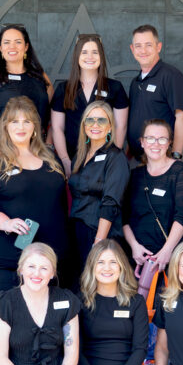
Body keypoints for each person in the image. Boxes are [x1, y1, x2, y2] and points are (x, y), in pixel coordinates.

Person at [0, 96, 69, 300]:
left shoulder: (50, 159)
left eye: (27, 121)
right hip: (1, 257)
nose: (21, 127)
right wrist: (6, 222)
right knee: (4, 316)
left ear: (35, 126)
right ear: (5, 126)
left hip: (44, 261)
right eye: (14, 121)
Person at [78, 239, 147, 365]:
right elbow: (76, 349)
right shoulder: (81, 301)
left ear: (122, 267)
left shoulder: (136, 302)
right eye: (100, 262)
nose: (107, 268)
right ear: (92, 267)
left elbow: (140, 348)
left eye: (113, 262)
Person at [51, 34, 129, 176]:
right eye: (84, 52)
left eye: (95, 52)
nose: (90, 57)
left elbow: (120, 126)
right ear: (76, 56)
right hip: (73, 160)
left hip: (104, 161)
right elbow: (57, 128)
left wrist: (113, 160)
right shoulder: (64, 89)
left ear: (101, 56)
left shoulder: (115, 87)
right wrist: (65, 160)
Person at [123, 119, 183, 273]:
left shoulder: (179, 171)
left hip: (170, 257)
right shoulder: (134, 175)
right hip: (138, 258)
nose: (156, 144)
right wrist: (134, 247)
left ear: (169, 143)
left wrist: (167, 251)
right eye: (150, 138)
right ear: (142, 142)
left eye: (162, 139)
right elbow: (124, 218)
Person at [68, 101, 130, 265]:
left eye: (102, 120)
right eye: (90, 120)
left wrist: (99, 243)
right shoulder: (80, 156)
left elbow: (111, 203)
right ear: (84, 125)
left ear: (110, 127)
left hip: (97, 232)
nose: (95, 125)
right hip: (76, 231)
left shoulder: (116, 157)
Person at [0, 24, 52, 150]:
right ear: (0, 47)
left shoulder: (41, 77)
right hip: (4, 151)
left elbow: (52, 118)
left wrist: (49, 146)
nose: (12, 47)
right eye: (6, 42)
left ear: (26, 46)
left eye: (18, 42)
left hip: (39, 150)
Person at [126, 24, 183, 161]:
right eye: (138, 46)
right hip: (139, 161)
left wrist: (176, 155)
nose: (143, 50)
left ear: (158, 47)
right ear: (132, 49)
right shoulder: (135, 83)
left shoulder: (171, 76)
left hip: (164, 159)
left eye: (148, 45)